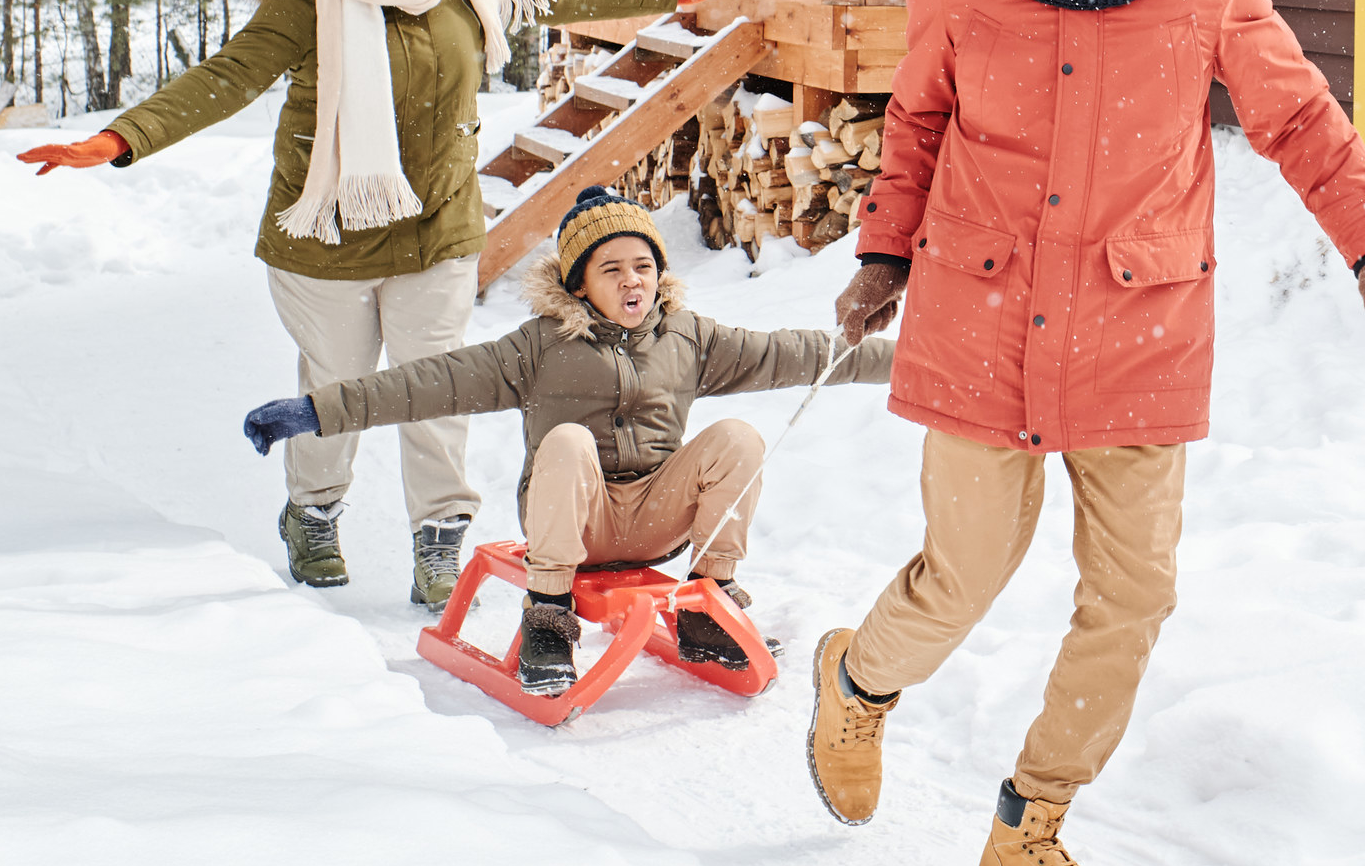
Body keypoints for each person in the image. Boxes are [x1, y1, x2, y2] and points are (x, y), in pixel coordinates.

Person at [809, 0, 1365, 866]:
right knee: (966, 571)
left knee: (1133, 595)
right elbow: (919, 121)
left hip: (1140, 319)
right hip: (982, 304)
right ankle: (858, 677)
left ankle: (1031, 830)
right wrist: (884, 253)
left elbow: (1296, 113)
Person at [19, 0, 729, 606]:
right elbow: (227, 77)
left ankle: (438, 538)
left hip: (439, 230)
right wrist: (121, 138)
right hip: (327, 240)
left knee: (440, 385)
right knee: (342, 384)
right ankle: (314, 514)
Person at [242, 187, 893, 689]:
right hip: (572, 525)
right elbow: (427, 382)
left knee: (737, 438)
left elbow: (800, 353)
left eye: (643, 265)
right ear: (578, 281)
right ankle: (548, 619)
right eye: (612, 268)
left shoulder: (690, 338)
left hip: (656, 520)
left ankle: (706, 605)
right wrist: (315, 412)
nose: (632, 280)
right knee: (568, 442)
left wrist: (910, 365)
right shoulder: (537, 347)